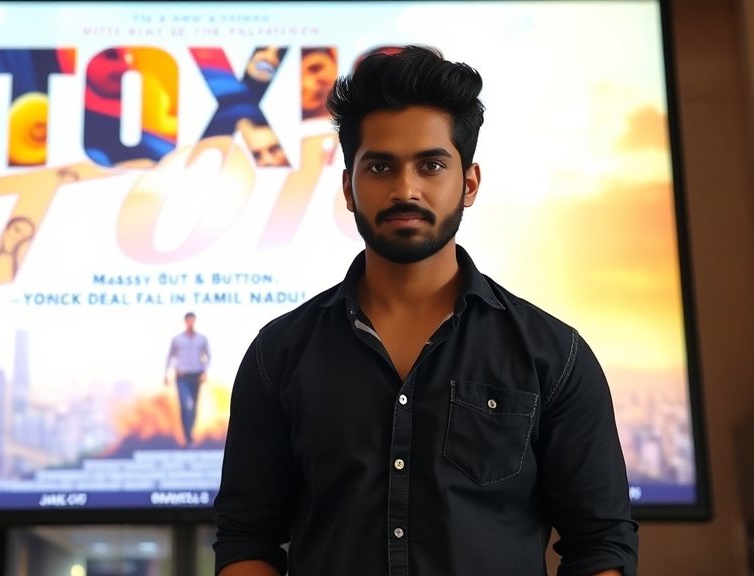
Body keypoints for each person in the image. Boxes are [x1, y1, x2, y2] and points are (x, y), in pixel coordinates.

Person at [213, 45, 639, 576]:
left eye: (431, 165)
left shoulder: (554, 355)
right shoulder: (278, 354)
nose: (405, 189)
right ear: (348, 187)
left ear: (469, 183)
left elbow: (599, 542)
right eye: (380, 166)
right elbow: (247, 537)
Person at [165, 311, 211, 447]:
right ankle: (188, 437)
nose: (190, 323)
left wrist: (205, 371)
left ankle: (190, 435)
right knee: (186, 405)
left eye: (192, 320)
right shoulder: (177, 339)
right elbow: (170, 356)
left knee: (194, 406)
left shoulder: (202, 339)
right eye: (188, 321)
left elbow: (208, 356)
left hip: (196, 376)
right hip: (182, 376)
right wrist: (166, 374)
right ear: (185, 322)